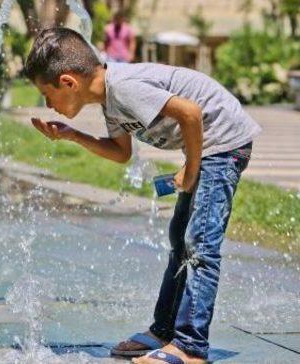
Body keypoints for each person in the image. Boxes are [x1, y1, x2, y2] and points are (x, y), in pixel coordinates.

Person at [23, 27, 261, 364]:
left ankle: (191, 347)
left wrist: (191, 170)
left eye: (47, 95)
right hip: (208, 149)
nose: (49, 105)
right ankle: (164, 331)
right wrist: (72, 135)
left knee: (200, 244)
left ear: (68, 82)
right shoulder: (110, 101)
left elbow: (191, 113)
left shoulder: (123, 88)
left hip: (223, 144)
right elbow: (121, 153)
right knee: (181, 240)